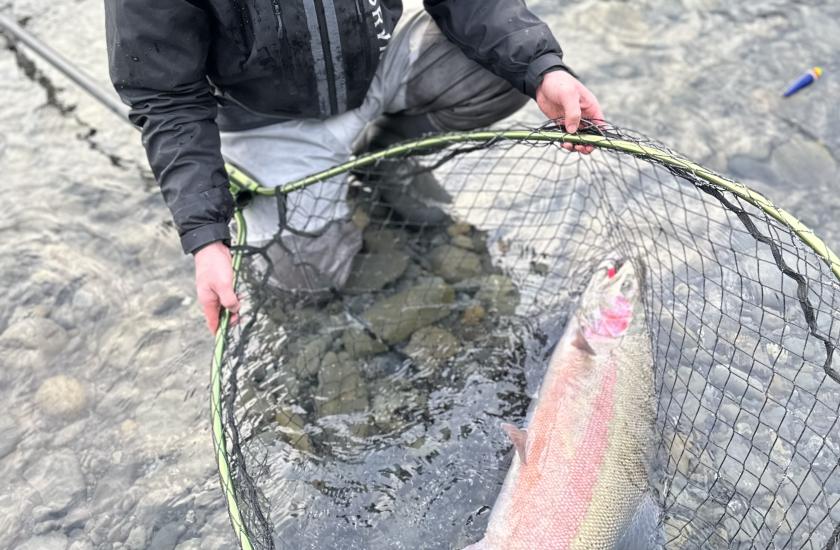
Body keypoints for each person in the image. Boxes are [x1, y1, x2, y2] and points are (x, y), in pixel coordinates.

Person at [105, 0, 604, 334]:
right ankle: (328, 179)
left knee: (500, 72)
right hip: (262, 125)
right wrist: (205, 235)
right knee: (307, 283)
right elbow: (166, 98)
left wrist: (542, 68)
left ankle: (380, 160)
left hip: (374, 78)